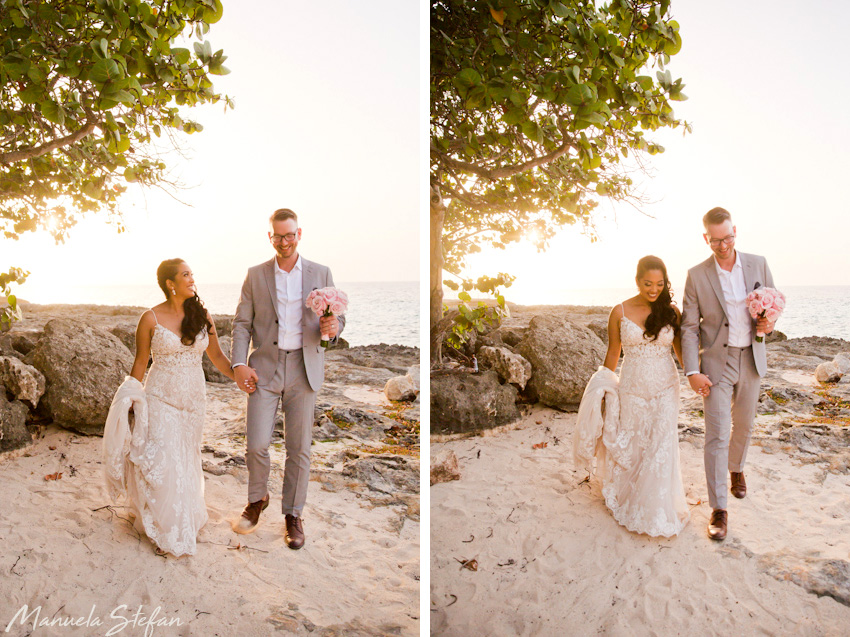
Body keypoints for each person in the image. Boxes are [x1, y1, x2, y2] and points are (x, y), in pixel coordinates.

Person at [103, 259, 237, 556]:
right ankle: (166, 529)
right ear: (170, 283)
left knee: (186, 456)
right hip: (160, 398)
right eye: (185, 275)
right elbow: (140, 363)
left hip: (193, 400)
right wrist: (130, 400)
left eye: (192, 274)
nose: (192, 279)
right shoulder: (149, 319)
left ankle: (185, 516)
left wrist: (241, 375)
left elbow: (216, 357)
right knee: (163, 458)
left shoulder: (202, 316)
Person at [230, 208, 344, 550]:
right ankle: (257, 499)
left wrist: (333, 329)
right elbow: (241, 324)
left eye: (289, 235)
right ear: (270, 237)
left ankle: (293, 515)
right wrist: (238, 364)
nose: (284, 241)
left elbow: (337, 321)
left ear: (299, 234)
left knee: (299, 449)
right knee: (256, 444)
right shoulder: (255, 275)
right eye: (278, 236)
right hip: (264, 368)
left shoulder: (320, 272)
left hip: (304, 368)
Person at [574, 255, 689, 537]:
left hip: (665, 387)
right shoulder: (620, 311)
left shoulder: (671, 312)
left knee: (661, 446)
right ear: (637, 281)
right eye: (648, 283)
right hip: (632, 387)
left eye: (659, 284)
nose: (653, 289)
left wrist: (699, 373)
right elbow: (614, 352)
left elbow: (681, 352)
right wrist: (602, 385)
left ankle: (657, 509)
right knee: (636, 443)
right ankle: (631, 496)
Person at [681, 207, 775, 541]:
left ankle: (737, 469)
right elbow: (689, 328)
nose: (723, 246)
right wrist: (692, 370)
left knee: (745, 426)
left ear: (735, 230)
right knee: (717, 434)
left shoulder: (758, 263)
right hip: (715, 365)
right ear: (706, 238)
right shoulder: (696, 275)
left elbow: (771, 309)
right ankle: (719, 509)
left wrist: (768, 324)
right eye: (716, 241)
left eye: (729, 238)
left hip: (751, 357)